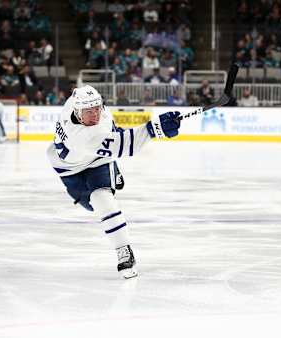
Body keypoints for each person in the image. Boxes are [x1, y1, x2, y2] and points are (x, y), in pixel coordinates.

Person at [47, 85, 181, 279]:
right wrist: (155, 129)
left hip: (98, 161)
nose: (95, 114)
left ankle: (123, 251)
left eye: (97, 108)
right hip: (69, 170)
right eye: (88, 111)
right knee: (90, 206)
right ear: (77, 111)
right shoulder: (81, 136)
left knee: (102, 199)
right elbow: (126, 145)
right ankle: (109, 174)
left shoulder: (81, 106)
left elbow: (112, 131)